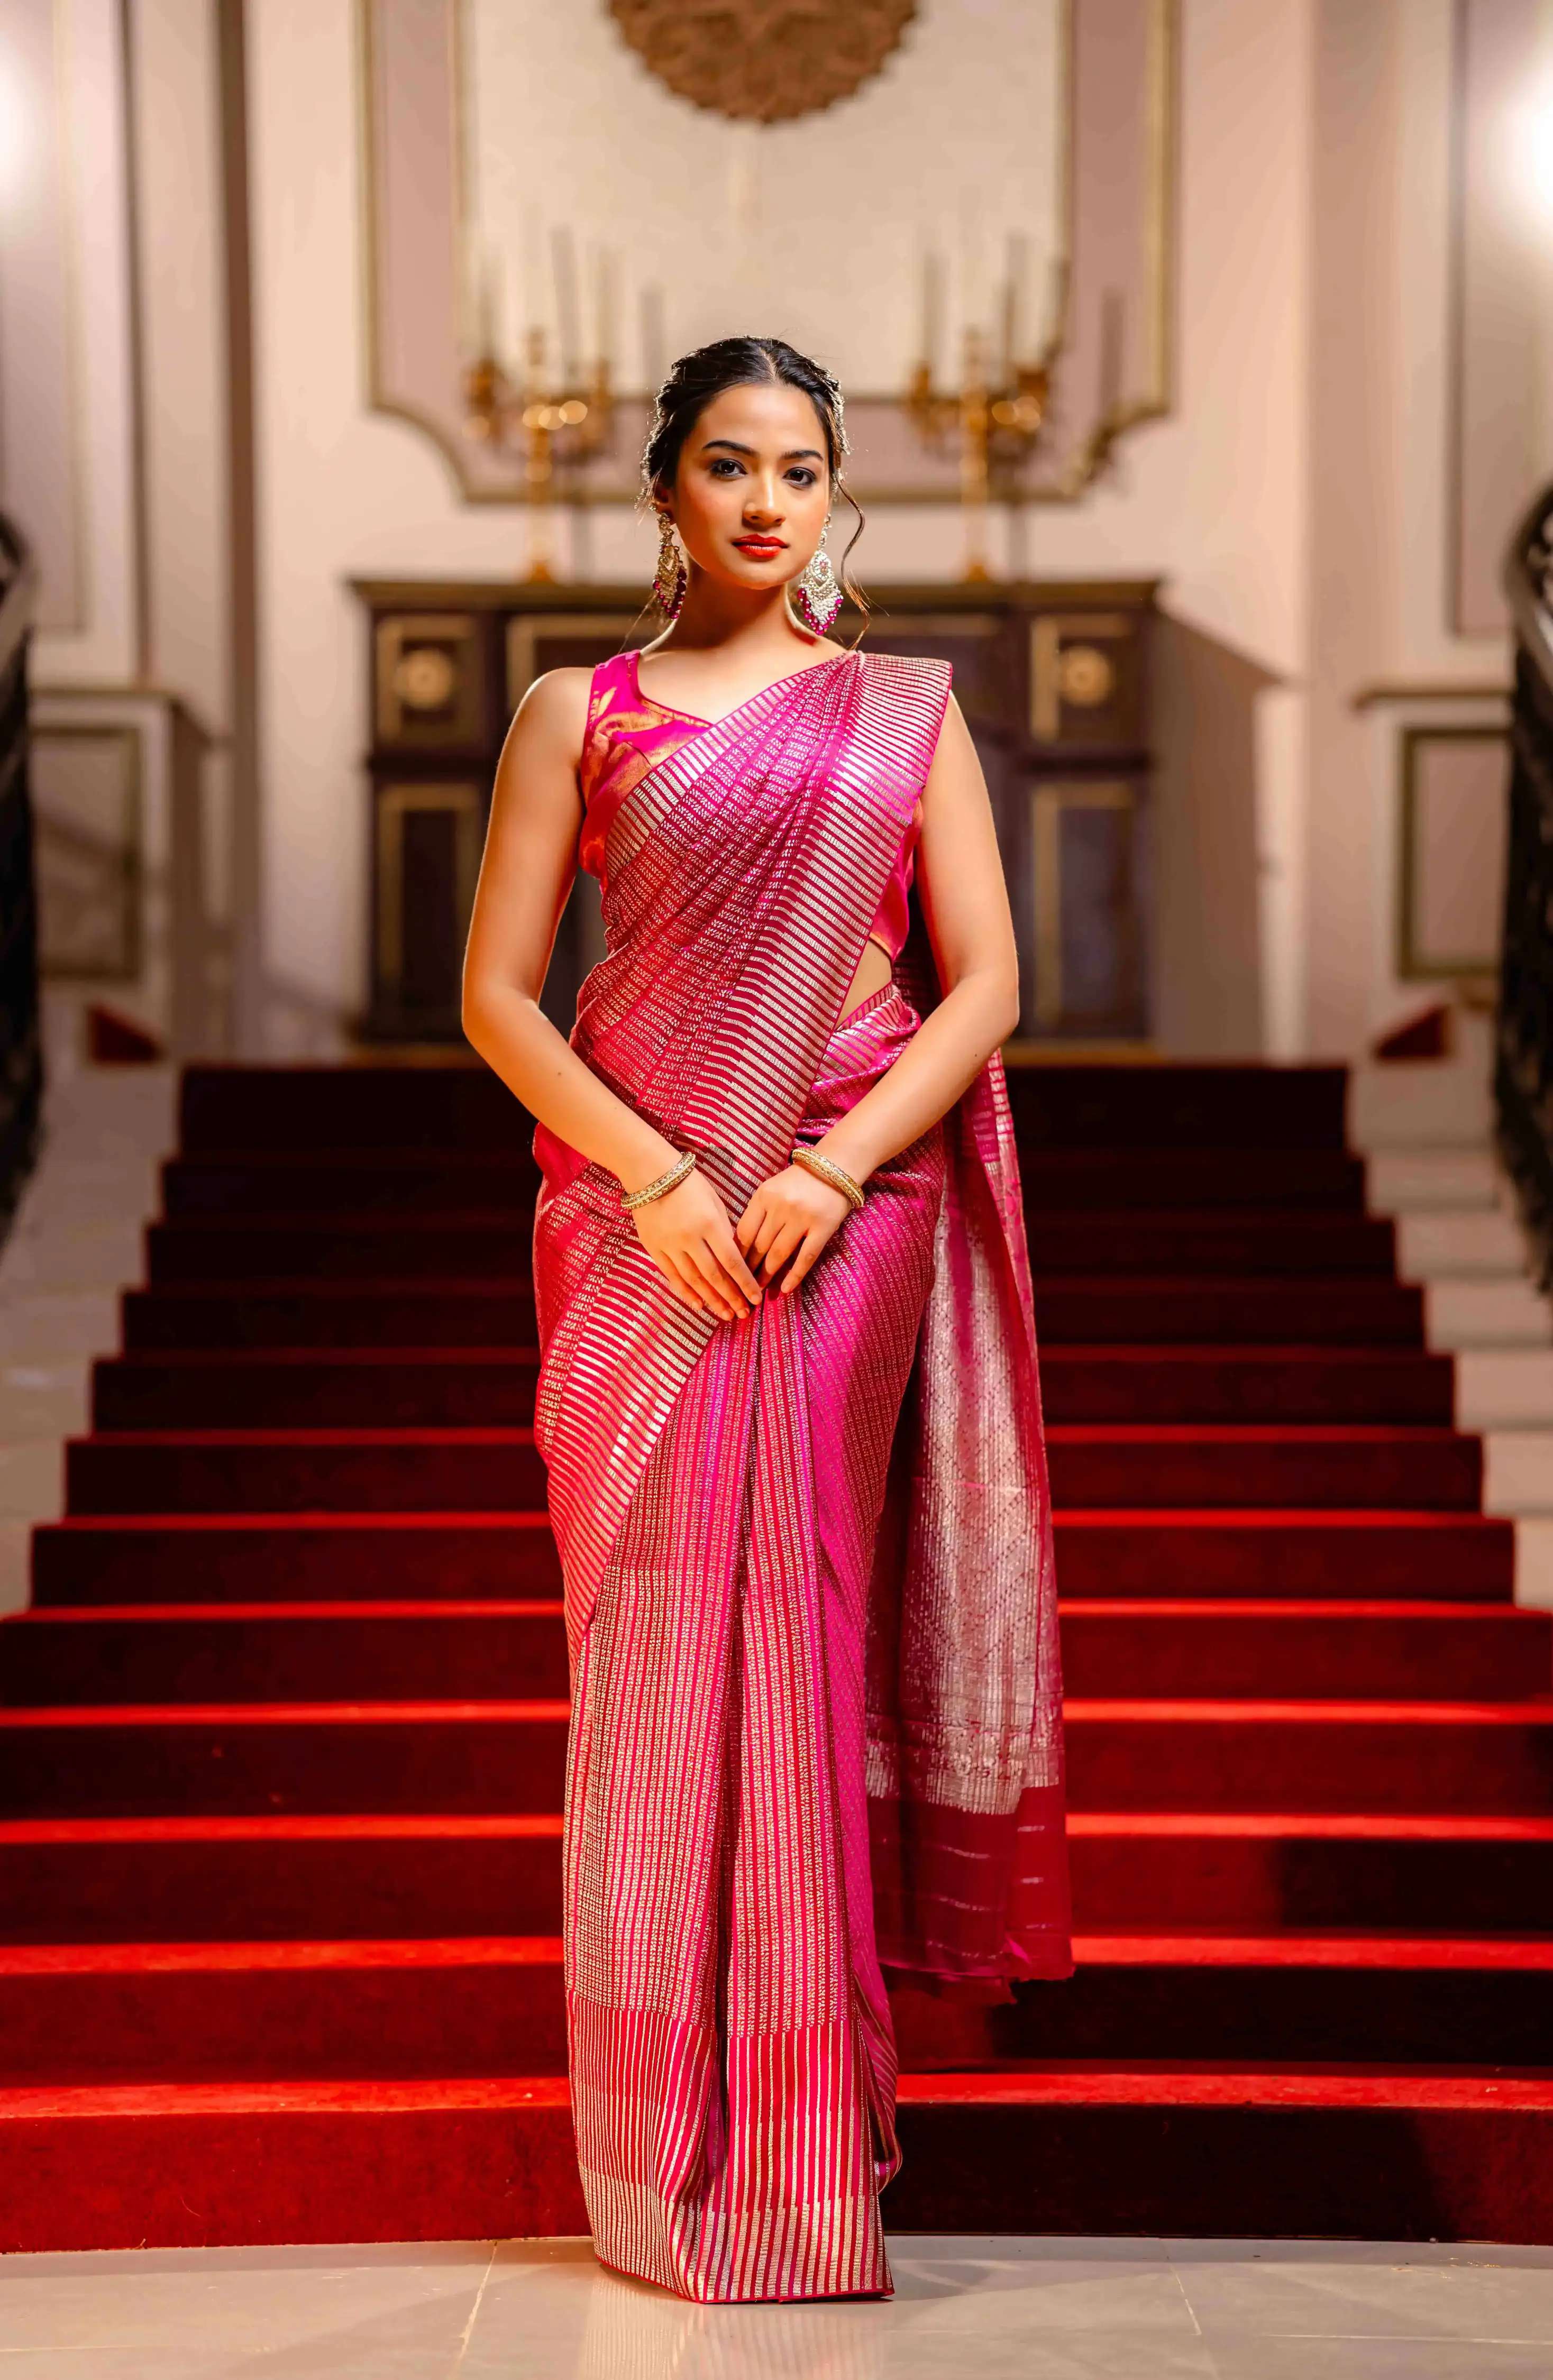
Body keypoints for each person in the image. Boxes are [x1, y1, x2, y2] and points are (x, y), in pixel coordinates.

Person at [462, 335, 1070, 2305]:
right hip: (639, 1217)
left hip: (843, 1200)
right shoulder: (579, 711)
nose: (762, 502)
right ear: (662, 489)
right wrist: (654, 1176)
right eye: (726, 466)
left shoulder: (902, 713)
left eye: (798, 470)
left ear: (832, 496)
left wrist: (827, 1169)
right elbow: (500, 999)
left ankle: (807, 2152)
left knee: (796, 1615)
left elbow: (979, 986)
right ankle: (662, 2143)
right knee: (651, 1642)